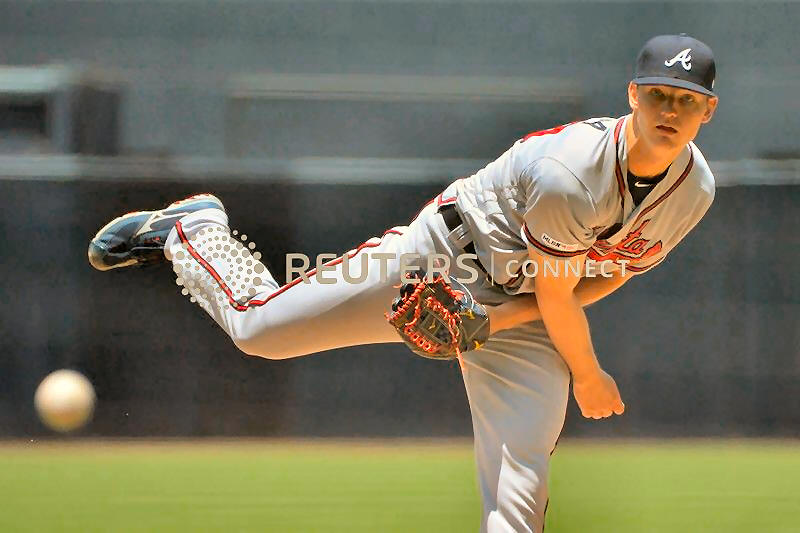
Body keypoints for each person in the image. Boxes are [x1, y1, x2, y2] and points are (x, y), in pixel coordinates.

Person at [88, 34, 718, 533]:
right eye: (659, 94)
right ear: (633, 94)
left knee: (520, 487)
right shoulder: (570, 172)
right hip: (441, 257)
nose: (671, 111)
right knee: (260, 331)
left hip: (523, 308)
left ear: (707, 110)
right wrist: (587, 373)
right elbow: (558, 295)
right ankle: (194, 230)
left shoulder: (693, 191)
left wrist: (493, 322)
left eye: (687, 100)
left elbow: (606, 276)